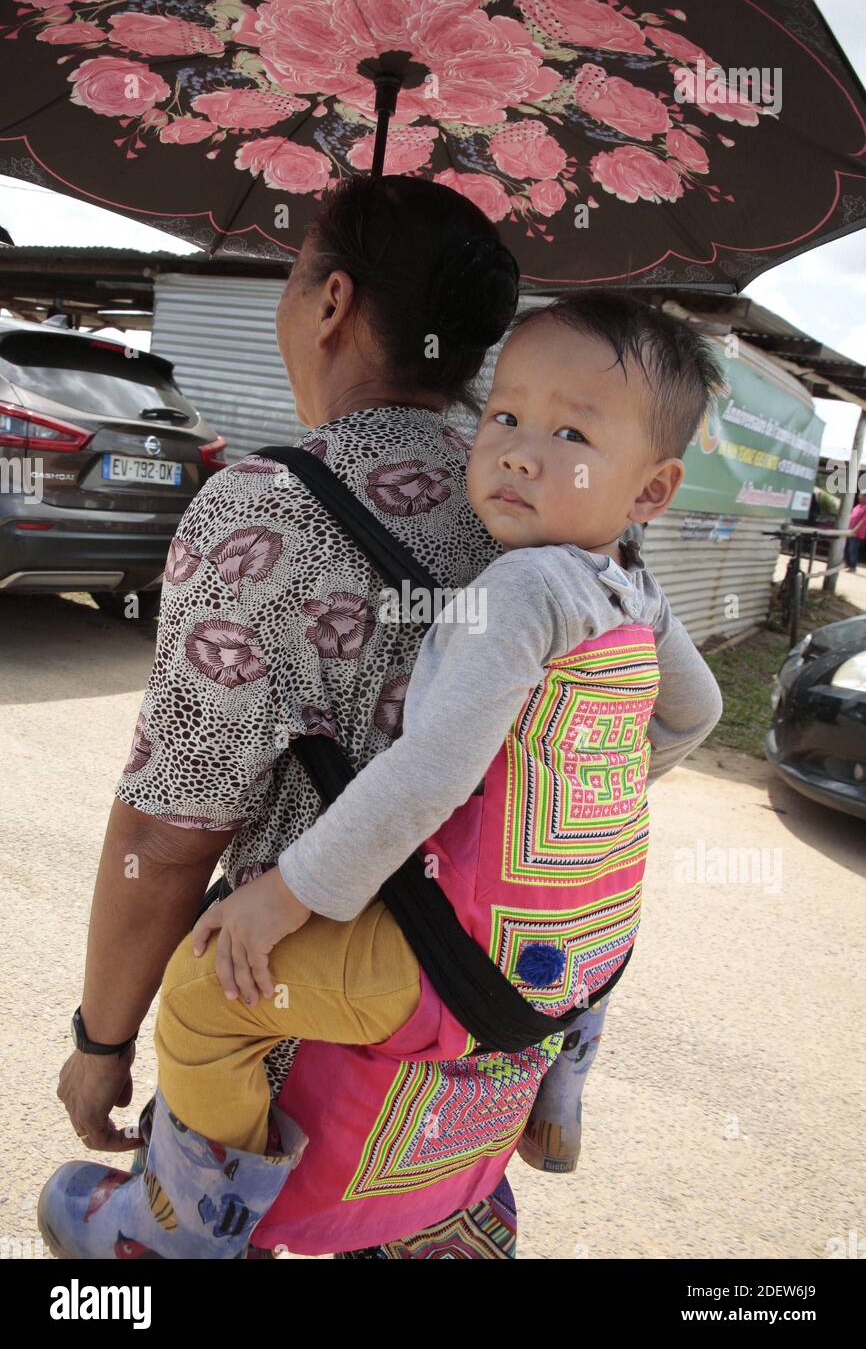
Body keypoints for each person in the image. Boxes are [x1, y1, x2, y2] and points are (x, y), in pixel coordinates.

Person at [40, 291, 724, 1260]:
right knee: (584, 954)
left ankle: (178, 1226)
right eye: (504, 416)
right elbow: (695, 715)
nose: (519, 451)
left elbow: (427, 773)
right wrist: (572, 792)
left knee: (203, 993)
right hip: (581, 946)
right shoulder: (633, 590)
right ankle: (553, 1092)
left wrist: (285, 896)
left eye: (567, 431)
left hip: (456, 960)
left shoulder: (520, 587)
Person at [44, 173, 527, 1260]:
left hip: (298, 1050)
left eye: (294, 272)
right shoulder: (550, 513)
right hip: (482, 1039)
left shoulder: (262, 507)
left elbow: (171, 836)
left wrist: (102, 1038)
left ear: (331, 303)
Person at [844, 492, 866, 571]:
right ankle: (847, 563)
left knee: (852, 549)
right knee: (847, 548)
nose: (859, 497)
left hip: (857, 533)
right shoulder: (857, 506)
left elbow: (863, 521)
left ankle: (852, 566)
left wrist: (855, 530)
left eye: (861, 495)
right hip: (849, 531)